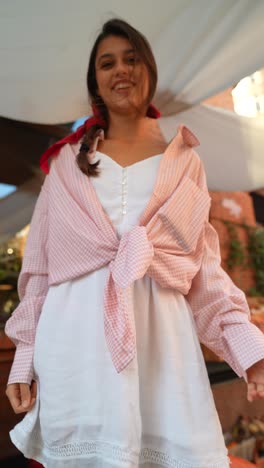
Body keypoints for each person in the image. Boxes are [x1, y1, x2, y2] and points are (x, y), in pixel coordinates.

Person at [5, 18, 264, 468]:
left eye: (131, 58)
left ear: (149, 70)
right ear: (96, 84)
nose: (120, 70)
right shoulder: (67, 165)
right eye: (107, 63)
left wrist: (250, 354)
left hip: (163, 356)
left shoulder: (185, 162)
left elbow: (205, 275)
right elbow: (40, 273)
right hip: (73, 352)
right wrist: (23, 359)